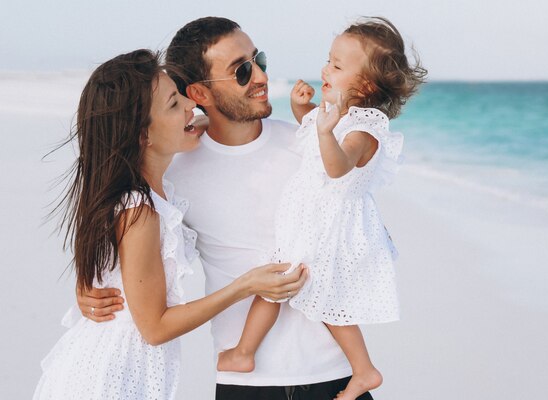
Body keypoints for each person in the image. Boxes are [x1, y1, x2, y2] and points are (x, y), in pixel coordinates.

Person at [34, 49, 305, 400]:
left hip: (119, 369)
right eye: (174, 105)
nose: (191, 108)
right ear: (142, 136)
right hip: (111, 378)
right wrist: (246, 285)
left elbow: (204, 123)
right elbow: (155, 327)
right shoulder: (141, 211)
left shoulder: (153, 193)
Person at [215, 17, 427, 400]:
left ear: (364, 85)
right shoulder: (338, 115)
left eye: (336, 66)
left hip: (331, 226)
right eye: (327, 60)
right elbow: (314, 131)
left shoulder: (366, 128)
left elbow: (337, 166)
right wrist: (303, 109)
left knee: (291, 287)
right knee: (288, 286)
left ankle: (353, 369)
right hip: (312, 219)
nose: (324, 70)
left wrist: (326, 130)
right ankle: (352, 368)